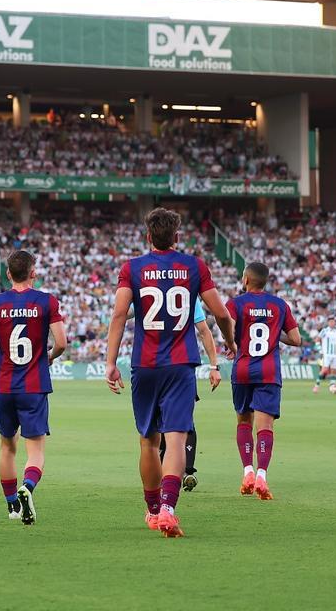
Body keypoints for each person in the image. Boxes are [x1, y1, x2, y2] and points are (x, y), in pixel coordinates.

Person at [105, 207, 234, 538]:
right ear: (177, 237)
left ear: (148, 236)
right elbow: (220, 312)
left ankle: (151, 509)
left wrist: (110, 362)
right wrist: (229, 340)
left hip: (144, 364)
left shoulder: (131, 268)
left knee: (149, 442)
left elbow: (120, 315)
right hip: (180, 364)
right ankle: (168, 509)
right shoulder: (194, 266)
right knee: (176, 439)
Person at [0, 250, 67, 525]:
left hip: (5, 385)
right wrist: (49, 356)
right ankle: (28, 487)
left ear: (8, 273)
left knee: (7, 446)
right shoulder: (47, 302)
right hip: (34, 385)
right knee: (35, 451)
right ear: (33, 272)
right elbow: (61, 342)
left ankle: (12, 506)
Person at [227, 262, 301, 500]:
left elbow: (226, 325)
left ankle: (247, 470)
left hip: (243, 369)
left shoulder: (236, 303)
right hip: (268, 371)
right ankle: (261, 475)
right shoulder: (279, 305)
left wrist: (233, 342)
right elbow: (296, 339)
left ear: (246, 280)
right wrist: (273, 331)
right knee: (265, 427)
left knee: (243, 421)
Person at [158, 298, 221, 491]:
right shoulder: (188, 295)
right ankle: (186, 471)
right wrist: (213, 366)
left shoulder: (146, 288)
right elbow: (204, 330)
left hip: (153, 366)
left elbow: (121, 314)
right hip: (182, 366)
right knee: (185, 423)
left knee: (157, 424)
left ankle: (164, 473)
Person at [314, 316, 336, 394]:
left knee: (334, 371)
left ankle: (332, 386)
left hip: (335, 354)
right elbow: (317, 339)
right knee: (324, 370)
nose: (332, 323)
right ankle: (316, 385)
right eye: (330, 322)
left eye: (333, 322)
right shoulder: (324, 331)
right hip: (327, 354)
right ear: (328, 323)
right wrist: (320, 350)